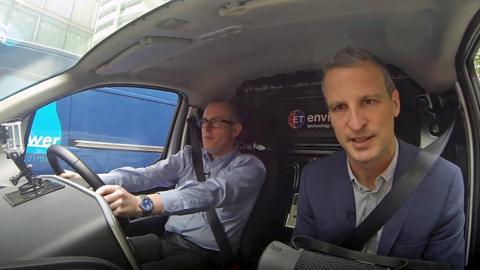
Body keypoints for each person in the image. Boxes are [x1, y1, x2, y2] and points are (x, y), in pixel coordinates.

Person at [294, 47, 465, 269]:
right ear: (330, 118)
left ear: (394, 103)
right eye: (340, 107)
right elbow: (304, 260)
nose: (355, 124)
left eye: (369, 101)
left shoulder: (444, 181)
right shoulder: (313, 178)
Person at [62, 100, 266, 270]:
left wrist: (143, 203)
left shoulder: (250, 167)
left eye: (216, 122)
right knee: (98, 258)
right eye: (204, 122)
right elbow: (147, 175)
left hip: (205, 255)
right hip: (165, 239)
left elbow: (211, 193)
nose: (206, 128)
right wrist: (86, 178)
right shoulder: (189, 156)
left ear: (236, 129)